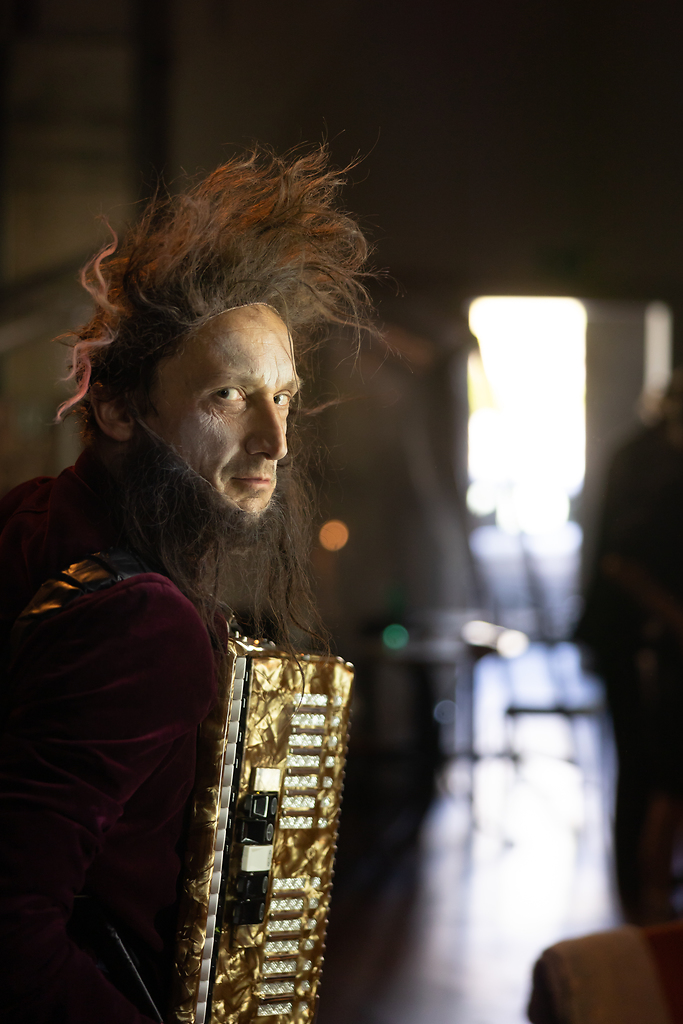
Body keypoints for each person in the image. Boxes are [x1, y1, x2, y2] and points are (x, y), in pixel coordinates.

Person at [0, 148, 371, 1023]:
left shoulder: (30, 513)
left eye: (284, 396)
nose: (275, 440)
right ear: (119, 408)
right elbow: (11, 928)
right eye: (230, 395)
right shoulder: (145, 624)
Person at [577, 369, 683, 923]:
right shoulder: (653, 461)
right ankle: (641, 905)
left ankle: (642, 898)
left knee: (652, 768)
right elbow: (622, 562)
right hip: (635, 639)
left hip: (641, 637)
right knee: (652, 770)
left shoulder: (649, 452)